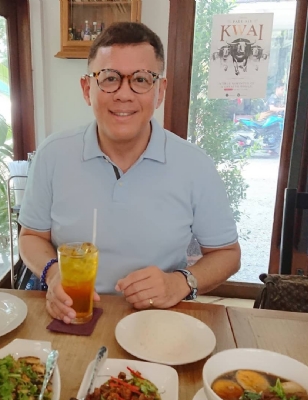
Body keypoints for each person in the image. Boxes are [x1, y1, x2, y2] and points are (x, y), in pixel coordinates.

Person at [18, 22, 241, 324]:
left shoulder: (195, 166)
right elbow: (31, 236)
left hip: (158, 321)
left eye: (141, 79)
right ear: (87, 89)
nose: (124, 94)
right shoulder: (52, 154)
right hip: (71, 316)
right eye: (109, 78)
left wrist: (180, 282)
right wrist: (52, 272)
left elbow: (228, 254)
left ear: (160, 91)